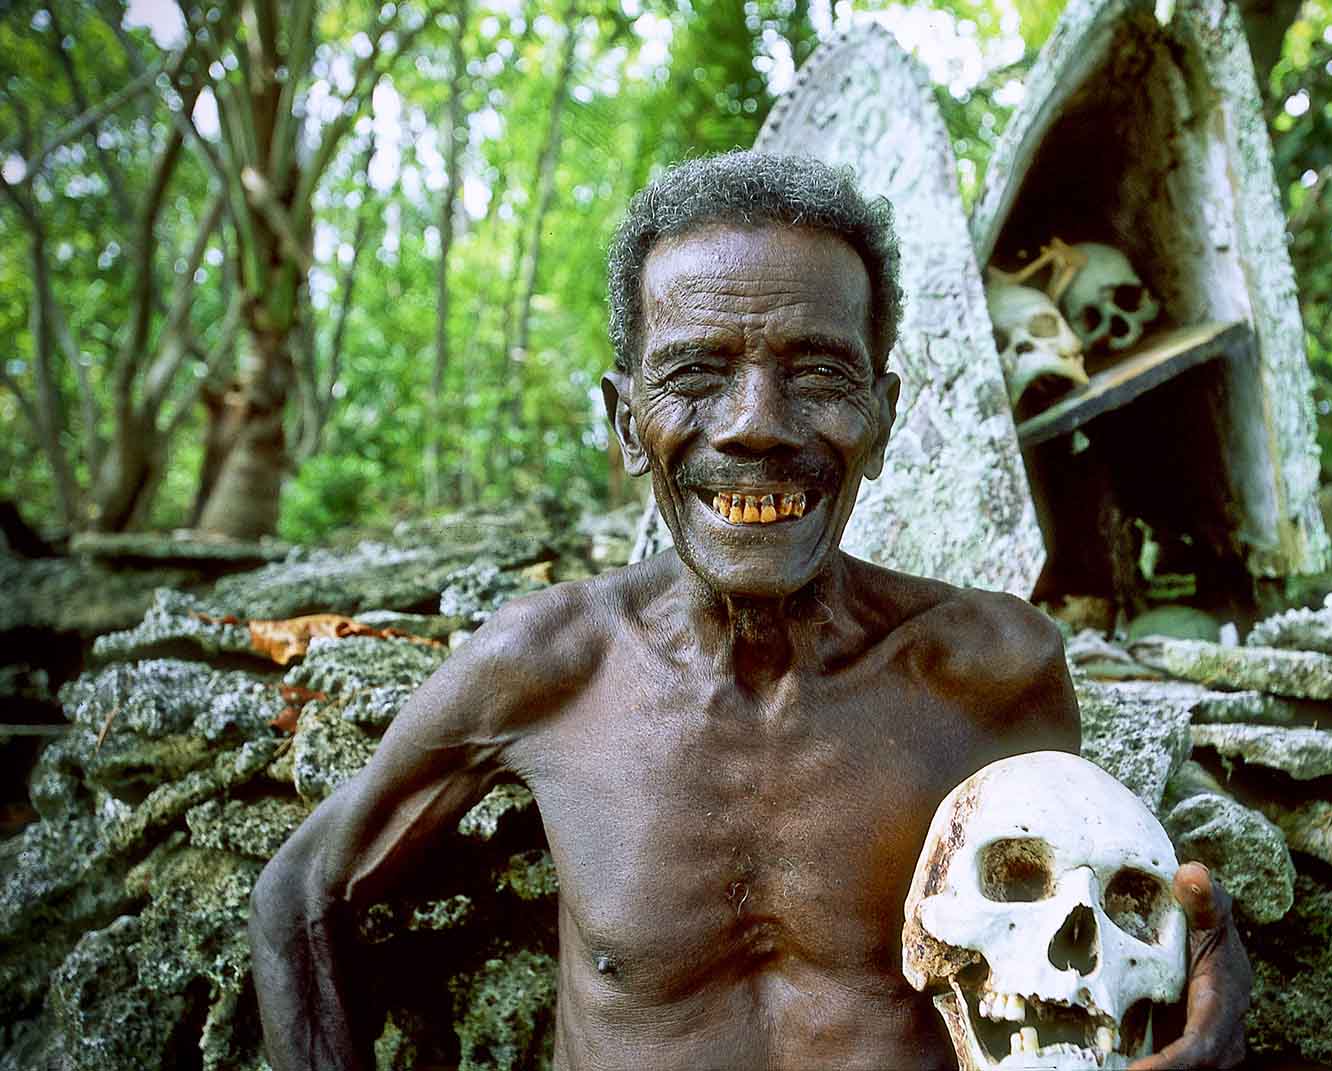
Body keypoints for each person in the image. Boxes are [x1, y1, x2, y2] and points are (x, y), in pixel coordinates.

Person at [249, 151, 1250, 1070]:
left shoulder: (993, 669)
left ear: (882, 417)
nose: (755, 426)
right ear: (625, 422)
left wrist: (1214, 985)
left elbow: (1108, 919)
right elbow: (300, 892)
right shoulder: (552, 663)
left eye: (817, 375)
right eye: (694, 373)